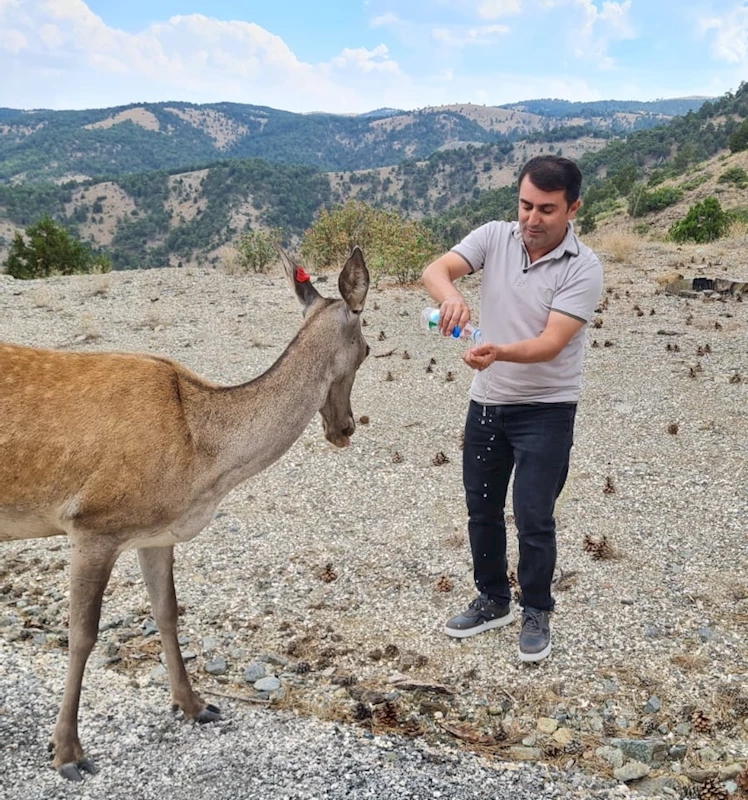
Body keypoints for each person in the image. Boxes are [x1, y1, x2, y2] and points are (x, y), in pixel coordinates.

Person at [421, 155, 603, 663]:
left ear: (572, 209)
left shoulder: (583, 267)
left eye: (547, 208)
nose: (532, 218)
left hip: (546, 407)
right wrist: (451, 297)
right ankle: (493, 600)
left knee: (532, 514)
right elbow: (435, 270)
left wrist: (497, 351)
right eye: (525, 204)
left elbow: (550, 344)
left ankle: (536, 607)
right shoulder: (494, 237)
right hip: (487, 403)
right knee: (481, 507)